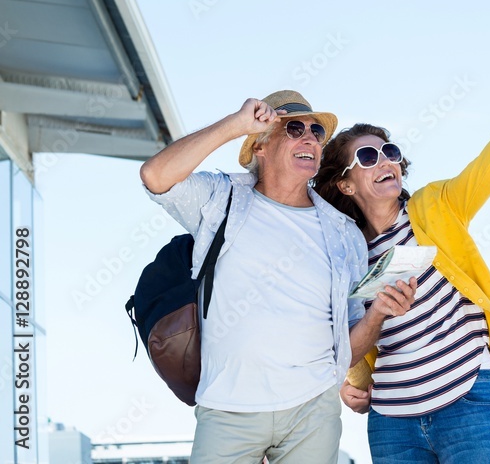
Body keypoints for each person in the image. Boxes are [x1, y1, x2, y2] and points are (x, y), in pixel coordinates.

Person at [312, 65, 490, 464]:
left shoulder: (434, 206)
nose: (386, 161)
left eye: (391, 152)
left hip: (467, 399)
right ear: (345, 184)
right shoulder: (342, 252)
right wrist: (345, 383)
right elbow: (333, 331)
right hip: (392, 422)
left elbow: (487, 170)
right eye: (368, 156)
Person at [140, 89, 417, 464]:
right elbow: (155, 175)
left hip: (312, 412)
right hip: (227, 408)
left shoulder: (344, 233)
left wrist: (378, 313)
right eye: (294, 128)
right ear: (260, 145)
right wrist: (236, 124)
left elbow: (348, 347)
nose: (309, 137)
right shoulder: (221, 199)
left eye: (316, 132)